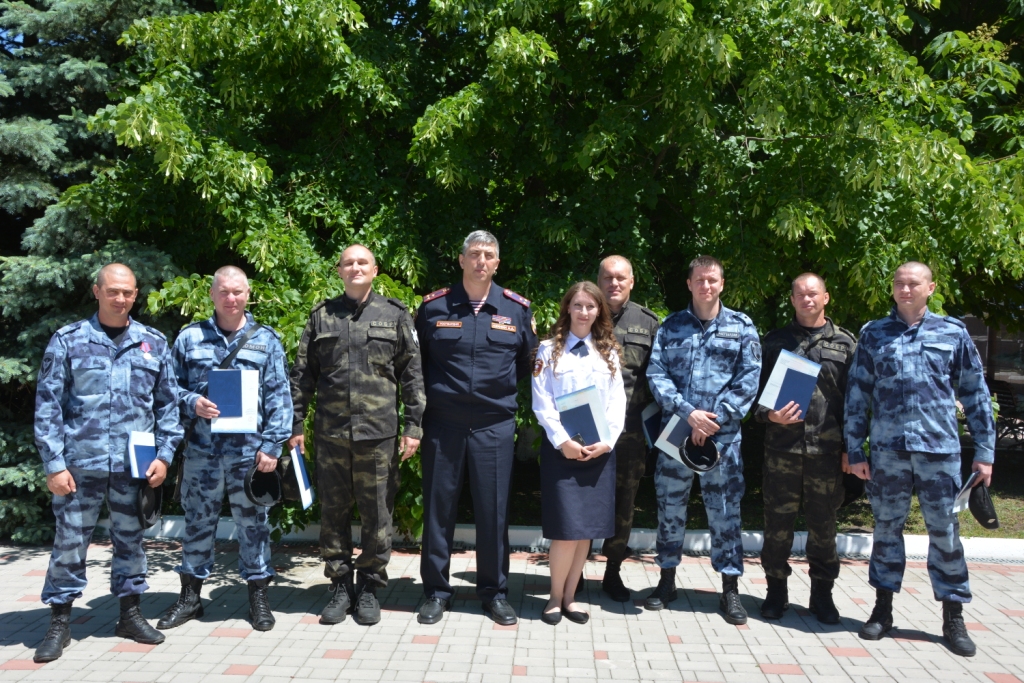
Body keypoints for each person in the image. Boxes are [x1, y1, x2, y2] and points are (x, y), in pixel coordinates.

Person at [845, 261, 995, 657]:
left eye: (913, 284)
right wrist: (855, 449)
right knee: (886, 531)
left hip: (939, 451)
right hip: (888, 452)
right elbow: (857, 395)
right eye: (899, 283)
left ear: (931, 287)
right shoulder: (874, 334)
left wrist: (984, 453)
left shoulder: (953, 333)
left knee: (945, 534)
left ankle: (953, 616)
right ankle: (882, 610)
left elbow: (976, 394)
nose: (905, 289)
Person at [33, 264, 181, 663]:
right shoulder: (69, 341)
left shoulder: (153, 343)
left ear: (135, 295)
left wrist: (165, 456)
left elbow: (168, 406)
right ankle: (60, 621)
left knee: (131, 542)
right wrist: (54, 464)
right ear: (96, 291)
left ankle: (130, 614)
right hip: (80, 465)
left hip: (134, 467)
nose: (121, 298)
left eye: (128, 292)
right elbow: (48, 406)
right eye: (113, 291)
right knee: (69, 543)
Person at [289, 244, 426, 626]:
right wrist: (295, 425)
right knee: (332, 514)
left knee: (377, 515)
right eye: (348, 263)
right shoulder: (321, 316)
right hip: (331, 435)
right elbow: (302, 376)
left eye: (362, 262)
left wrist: (413, 426)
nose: (355, 268)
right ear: (339, 270)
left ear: (375, 269)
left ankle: (367, 586)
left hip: (378, 435)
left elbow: (413, 375)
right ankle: (339, 586)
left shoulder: (395, 315)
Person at [158, 266, 292, 632]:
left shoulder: (266, 340)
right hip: (203, 453)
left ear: (248, 294)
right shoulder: (189, 339)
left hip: (251, 456)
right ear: (212, 294)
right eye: (223, 292)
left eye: (237, 292)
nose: (231, 298)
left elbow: (280, 398)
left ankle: (259, 599)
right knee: (198, 523)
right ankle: (190, 598)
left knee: (254, 526)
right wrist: (193, 403)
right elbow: (169, 391)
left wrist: (272, 446)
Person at [415, 230, 538, 626]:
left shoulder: (516, 309)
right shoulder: (434, 307)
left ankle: (494, 593)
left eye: (488, 255)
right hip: (443, 423)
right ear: (461, 259)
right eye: (474, 254)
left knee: (494, 511)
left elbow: (525, 363)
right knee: (438, 510)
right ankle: (436, 591)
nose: (481, 260)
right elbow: (417, 363)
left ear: (497, 263)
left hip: (494, 424)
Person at [645, 255, 761, 624]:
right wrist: (687, 412)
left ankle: (730, 591)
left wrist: (715, 418)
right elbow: (656, 373)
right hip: (677, 433)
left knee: (725, 513)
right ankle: (666, 582)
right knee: (669, 507)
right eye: (699, 280)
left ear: (722, 284)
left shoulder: (742, 327)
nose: (706, 286)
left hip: (722, 439)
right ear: (689, 283)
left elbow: (749, 379)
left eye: (712, 280)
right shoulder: (671, 326)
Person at [755, 273, 856, 623]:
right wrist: (770, 415)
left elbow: (854, 404)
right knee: (777, 525)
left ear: (825, 297)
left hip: (826, 454)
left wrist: (850, 450)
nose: (806, 299)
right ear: (792, 299)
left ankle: (822, 595)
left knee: (824, 526)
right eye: (799, 294)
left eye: (813, 294)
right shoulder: (774, 342)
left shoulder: (845, 343)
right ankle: (775, 592)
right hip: (781, 451)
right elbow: (753, 398)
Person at [532, 281, 626, 625]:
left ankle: (571, 598)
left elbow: (618, 403)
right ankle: (554, 598)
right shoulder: (548, 351)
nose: (584, 312)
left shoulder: (609, 353)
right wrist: (563, 442)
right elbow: (542, 404)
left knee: (585, 529)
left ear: (599, 310)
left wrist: (609, 440)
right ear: (567, 309)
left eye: (590, 306)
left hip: (599, 452)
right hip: (563, 453)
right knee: (565, 529)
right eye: (578, 306)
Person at [596, 256, 660, 601]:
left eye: (621, 278)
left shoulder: (648, 323)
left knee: (624, 503)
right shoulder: (583, 313)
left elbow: (659, 380)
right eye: (607, 277)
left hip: (631, 434)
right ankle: (572, 571)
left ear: (632, 281)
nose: (614, 284)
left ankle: (612, 571)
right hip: (587, 431)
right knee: (583, 500)